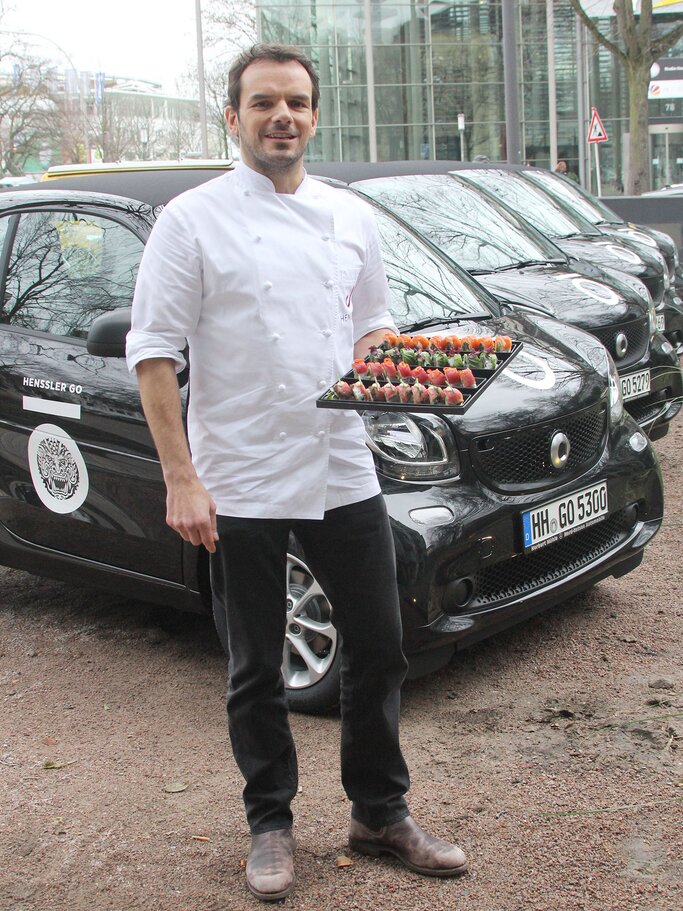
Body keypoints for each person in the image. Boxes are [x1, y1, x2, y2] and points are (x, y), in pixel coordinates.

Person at [126, 42, 467, 902]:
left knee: (381, 646)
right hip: (237, 472)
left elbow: (372, 322)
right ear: (232, 117)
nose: (283, 117)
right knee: (254, 664)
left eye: (298, 103)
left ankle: (379, 811)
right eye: (264, 103)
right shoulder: (190, 219)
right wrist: (180, 476)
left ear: (315, 115)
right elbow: (153, 354)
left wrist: (390, 364)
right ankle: (270, 821)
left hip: (341, 463)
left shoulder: (348, 215)